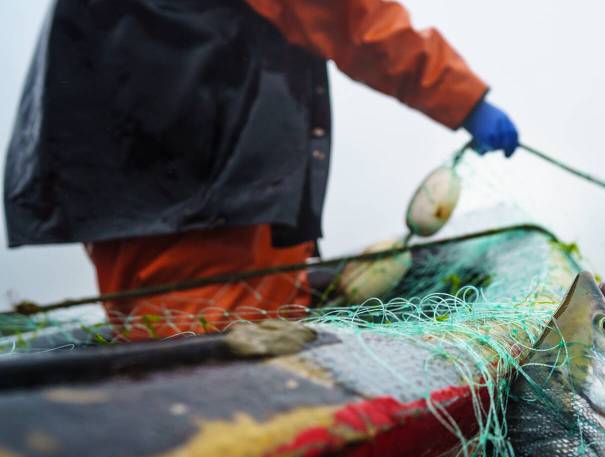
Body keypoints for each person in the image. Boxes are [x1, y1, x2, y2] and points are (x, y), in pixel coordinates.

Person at [4, 0, 518, 337]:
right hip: (212, 203)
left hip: (115, 202)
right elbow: (352, 18)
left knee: (149, 346)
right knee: (218, 377)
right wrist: (466, 101)